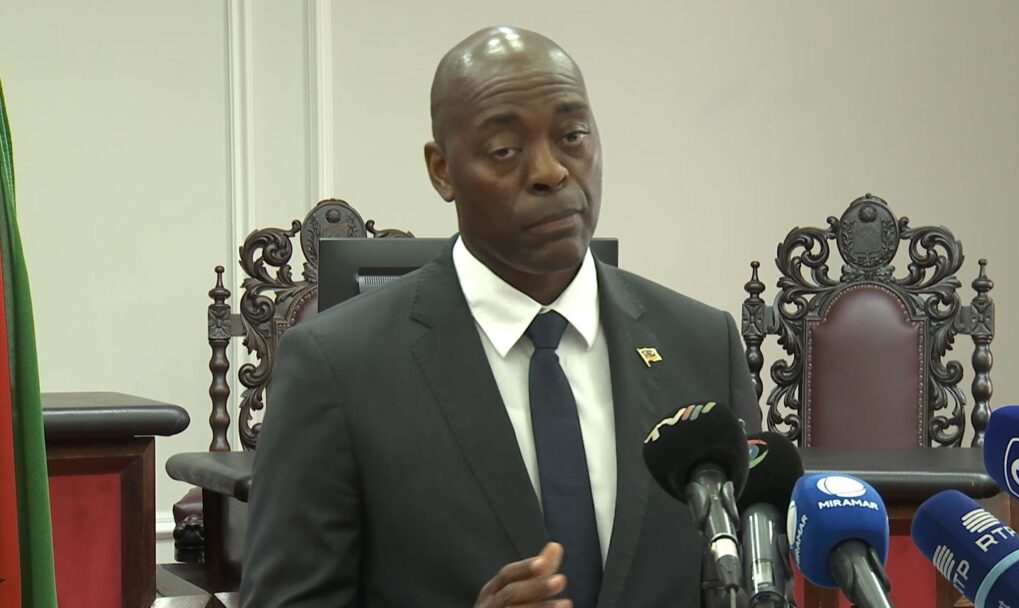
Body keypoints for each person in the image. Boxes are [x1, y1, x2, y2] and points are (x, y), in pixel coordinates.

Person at [240, 26, 760, 607]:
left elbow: (756, 582)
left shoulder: (702, 346)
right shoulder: (338, 369)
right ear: (442, 170)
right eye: (505, 150)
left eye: (572, 136)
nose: (550, 171)